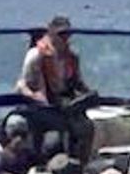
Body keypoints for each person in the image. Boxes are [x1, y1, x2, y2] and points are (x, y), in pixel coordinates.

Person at [16, 15, 95, 159]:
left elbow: (78, 82)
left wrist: (89, 94)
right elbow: (22, 85)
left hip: (65, 103)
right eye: (61, 34)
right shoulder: (35, 56)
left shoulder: (72, 57)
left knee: (87, 127)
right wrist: (35, 97)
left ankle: (80, 163)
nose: (65, 39)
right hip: (41, 105)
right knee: (65, 127)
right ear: (51, 33)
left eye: (67, 35)